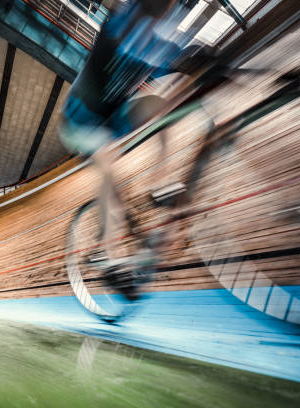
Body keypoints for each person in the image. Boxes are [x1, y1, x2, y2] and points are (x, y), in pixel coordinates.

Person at [59, 0, 214, 299]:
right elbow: (131, 38)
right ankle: (111, 256)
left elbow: (182, 70)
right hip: (79, 123)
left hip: (113, 117)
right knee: (108, 165)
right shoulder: (121, 19)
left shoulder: (157, 37)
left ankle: (160, 182)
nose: (169, 10)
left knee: (169, 100)